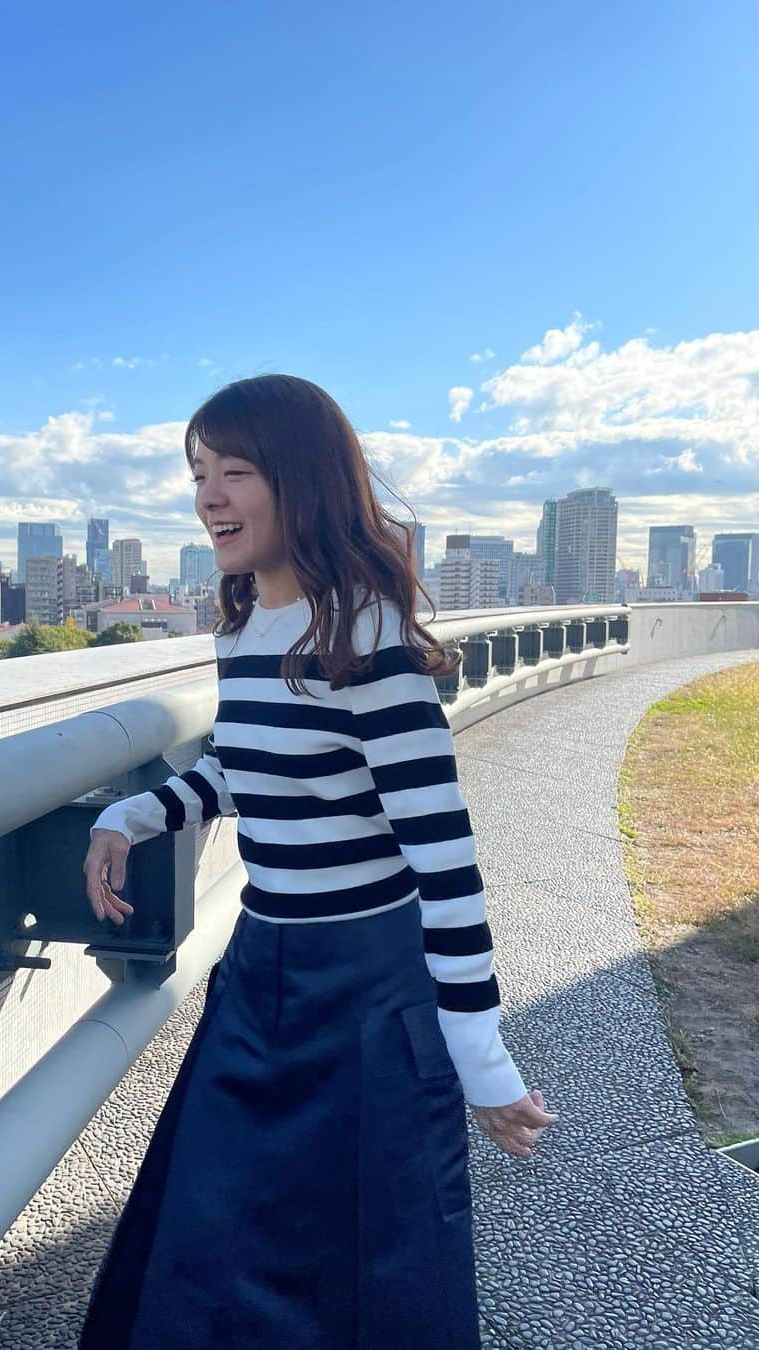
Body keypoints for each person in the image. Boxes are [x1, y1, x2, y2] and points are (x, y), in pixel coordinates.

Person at [78, 374, 558, 1349]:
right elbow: (241, 771)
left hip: (371, 996)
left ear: (301, 481)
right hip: (260, 974)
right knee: (213, 1239)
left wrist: (482, 1061)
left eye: (236, 471)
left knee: (367, 1267)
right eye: (198, 472)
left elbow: (447, 866)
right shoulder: (243, 626)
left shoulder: (369, 640)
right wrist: (130, 817)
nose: (208, 495)